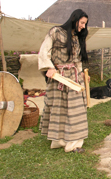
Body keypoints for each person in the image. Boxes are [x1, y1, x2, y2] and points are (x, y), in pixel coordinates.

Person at [38, 9, 90, 153]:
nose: (83, 27)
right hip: (58, 78)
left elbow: (77, 60)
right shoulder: (56, 32)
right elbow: (44, 52)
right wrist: (49, 67)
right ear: (74, 19)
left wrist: (82, 74)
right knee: (59, 110)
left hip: (73, 79)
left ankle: (74, 144)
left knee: (76, 111)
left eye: (85, 24)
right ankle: (59, 141)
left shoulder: (76, 38)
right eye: (82, 23)